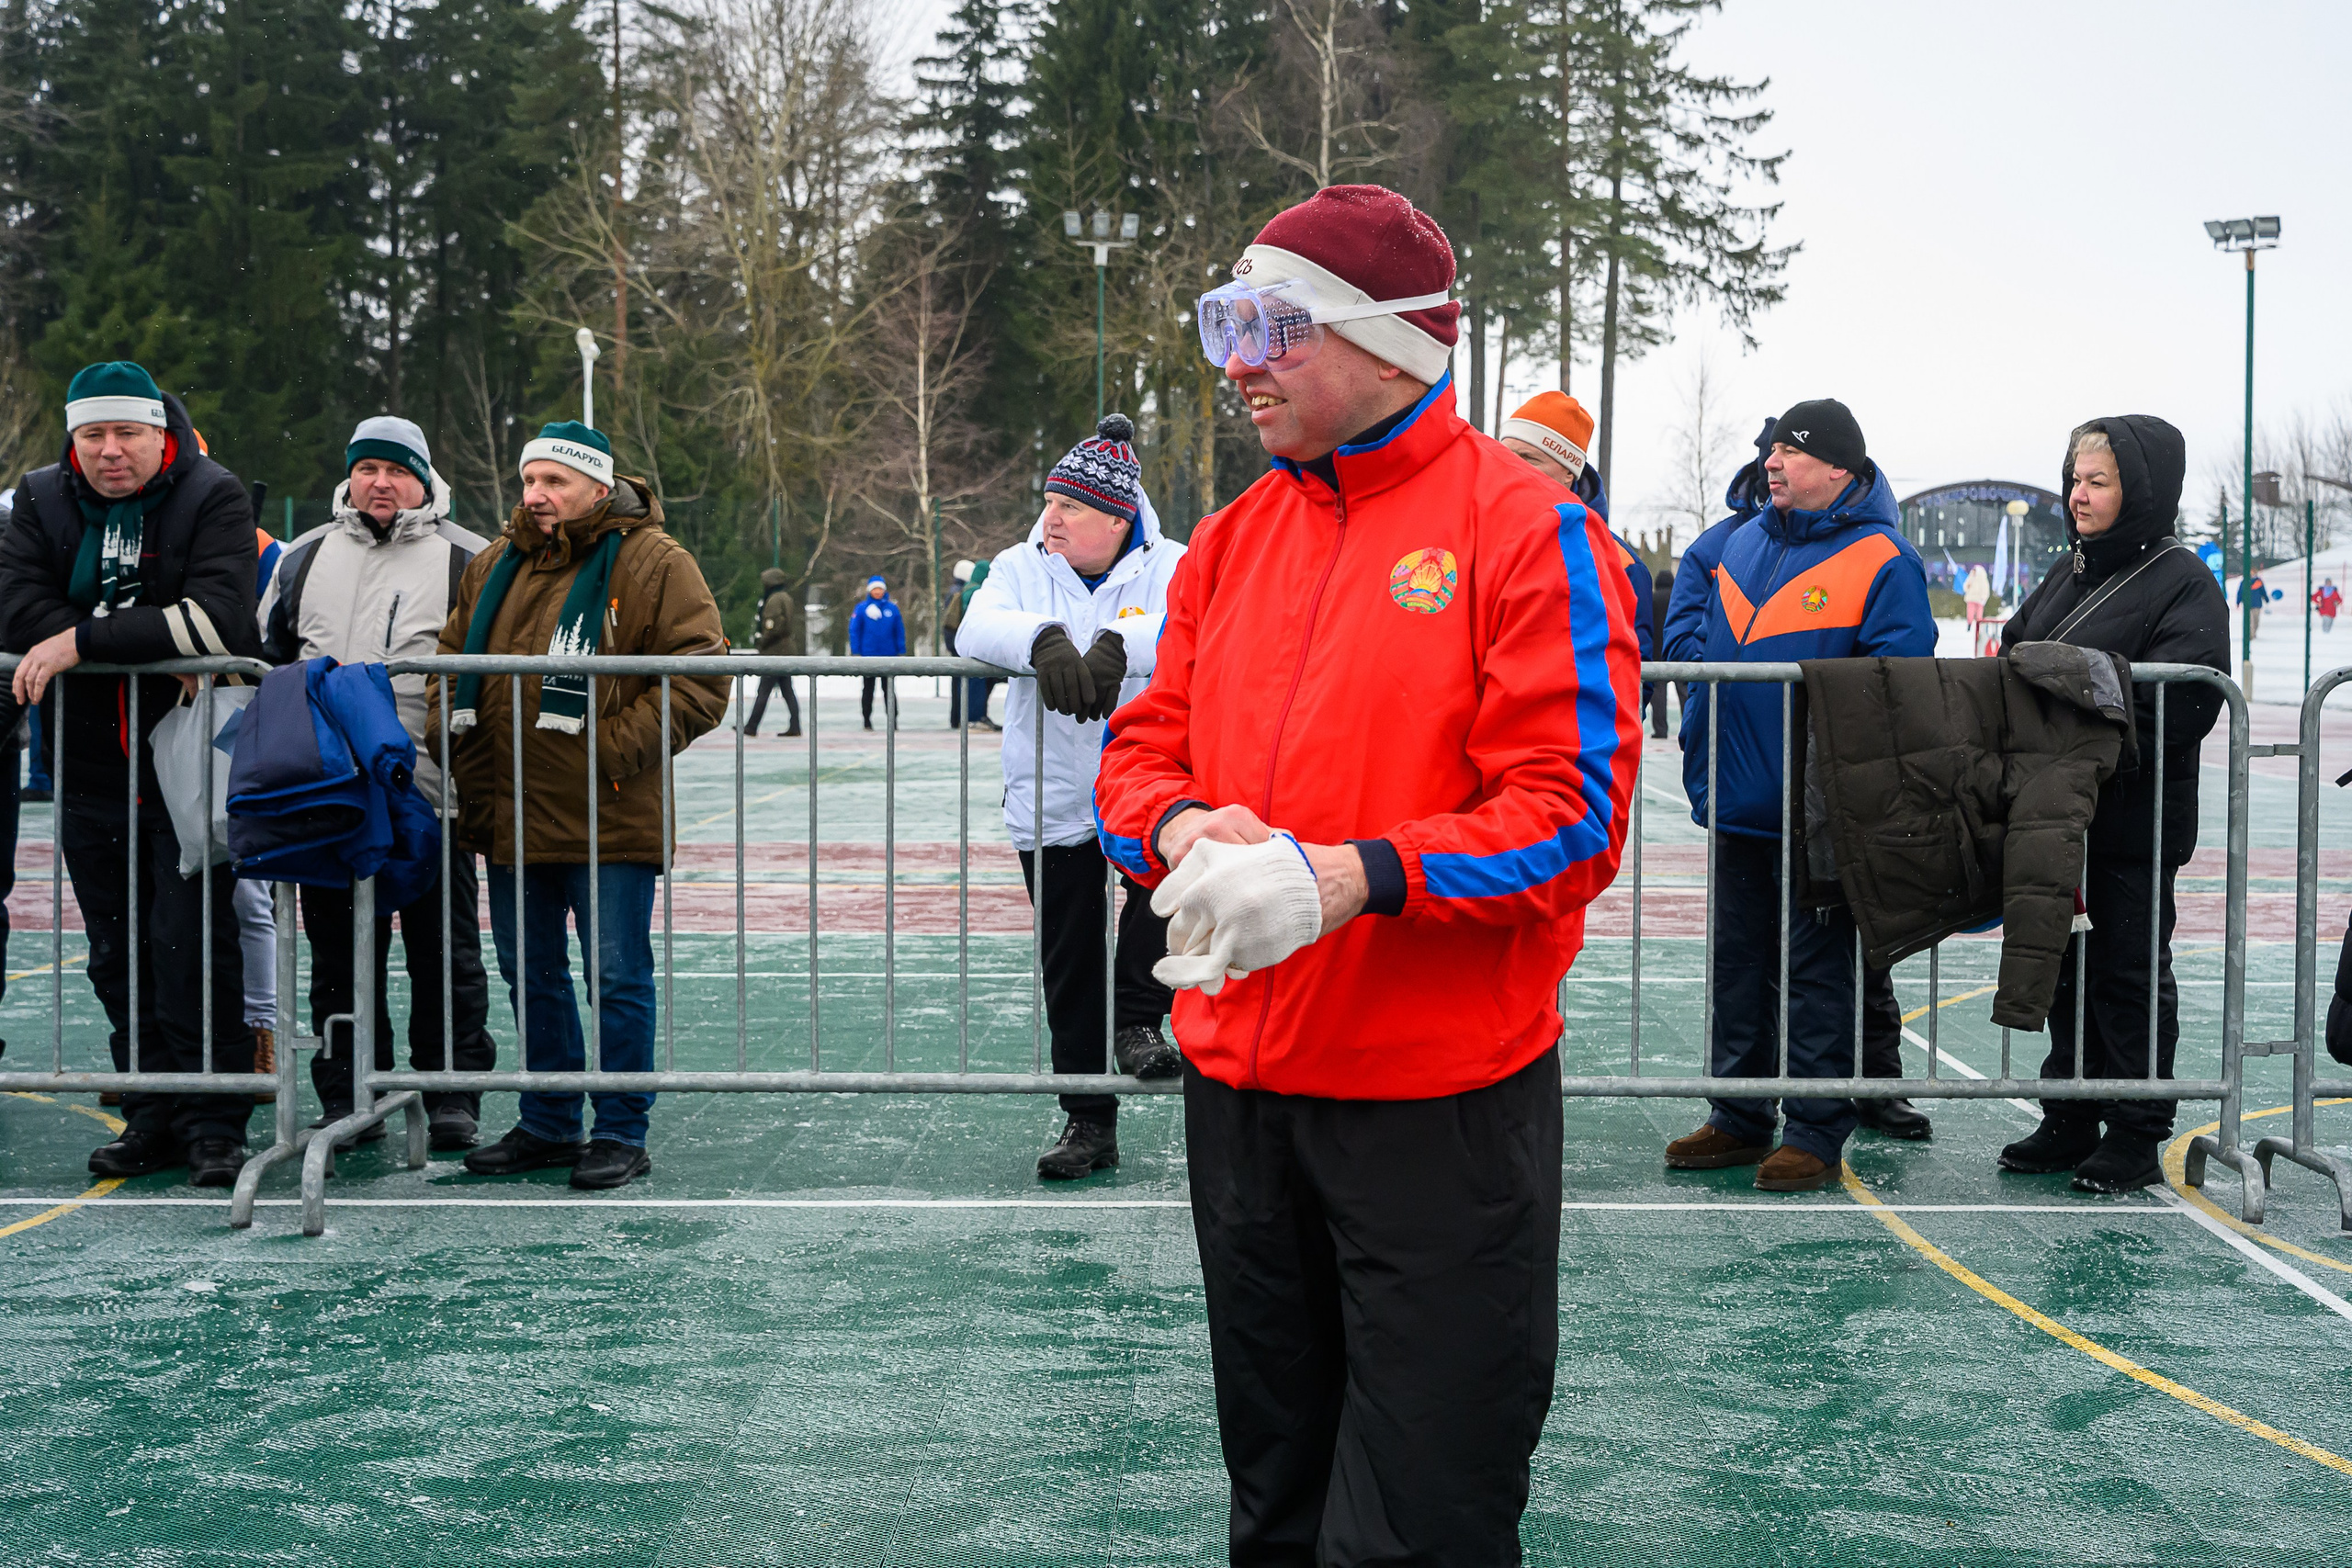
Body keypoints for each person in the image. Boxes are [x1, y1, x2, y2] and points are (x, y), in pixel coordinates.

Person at [1095, 185, 1641, 1564]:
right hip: (1244, 1098)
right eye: (1227, 324)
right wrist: (1175, 831)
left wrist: (1354, 876)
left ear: (1391, 343)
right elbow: (1140, 750)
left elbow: (1573, 816)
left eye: (1272, 326)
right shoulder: (1228, 539)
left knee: (1423, 1511)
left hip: (1436, 1110)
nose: (1238, 362)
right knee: (1274, 1497)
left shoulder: (1529, 529)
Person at [431, 422, 729, 1190]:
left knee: (616, 975)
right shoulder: (496, 563)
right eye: (529, 481)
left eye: (554, 482)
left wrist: (607, 751)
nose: (536, 495)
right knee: (529, 974)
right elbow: (448, 660)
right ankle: (550, 1121)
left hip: (608, 813)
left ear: (599, 488)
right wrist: (449, 731)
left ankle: (622, 1129)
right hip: (510, 811)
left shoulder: (656, 561)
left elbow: (700, 676)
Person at [0, 360, 260, 1184]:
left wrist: (83, 641)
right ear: (73, 439)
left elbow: (222, 617)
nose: (111, 452)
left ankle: (215, 1117)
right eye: (93, 436)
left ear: (160, 433)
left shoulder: (212, 493)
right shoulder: (40, 498)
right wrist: (154, 637)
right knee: (114, 947)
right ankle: (150, 1109)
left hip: (187, 764)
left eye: (127, 434)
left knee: (191, 940)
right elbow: (15, 607)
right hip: (87, 765)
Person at [1666, 398, 1935, 1192]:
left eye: (1791, 451)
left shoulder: (1885, 559)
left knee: (1820, 972)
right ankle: (1739, 1114)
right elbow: (1698, 643)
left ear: (1839, 471)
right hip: (1739, 801)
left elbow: (1900, 684)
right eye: (1773, 449)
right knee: (1739, 963)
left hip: (1823, 812)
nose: (1773, 462)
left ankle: (1816, 1126)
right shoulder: (1739, 543)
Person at [1995, 417, 2227, 1191]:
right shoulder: (2070, 572)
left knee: (2127, 973)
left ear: (2141, 490)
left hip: (2133, 824)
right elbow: (2013, 651)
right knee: (2063, 969)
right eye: (2075, 478)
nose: (2078, 494)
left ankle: (2135, 1125)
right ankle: (2069, 1110)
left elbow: (2185, 703)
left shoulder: (2183, 580)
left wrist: (2069, 724)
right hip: (2058, 821)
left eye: (2098, 481)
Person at [258, 416, 498, 1151]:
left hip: (432, 795)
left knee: (444, 950)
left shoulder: (470, 558)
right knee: (337, 955)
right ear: (350, 476)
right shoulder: (302, 558)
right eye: (368, 469)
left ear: (426, 479)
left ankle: (451, 1091)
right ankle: (349, 1089)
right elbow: (265, 661)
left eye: (397, 470)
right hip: (328, 800)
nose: (381, 483)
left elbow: (495, 674)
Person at [956, 414, 1185, 1179]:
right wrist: (1045, 639)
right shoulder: (1020, 565)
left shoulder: (1173, 564)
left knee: (1162, 904)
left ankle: (1139, 1020)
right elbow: (976, 627)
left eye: (1070, 507)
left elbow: (1199, 624)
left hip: (1152, 780)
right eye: (1049, 500)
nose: (1050, 517)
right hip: (1053, 793)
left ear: (1118, 518)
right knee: (1069, 960)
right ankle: (1089, 1116)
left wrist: (1124, 645)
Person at [742, 566, 801, 737]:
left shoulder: (775, 599)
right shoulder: (786, 597)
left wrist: (762, 642)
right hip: (785, 649)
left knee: (764, 689)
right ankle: (795, 725)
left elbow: (774, 626)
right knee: (787, 690)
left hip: (775, 651)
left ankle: (752, 726)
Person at [848, 573, 904, 729]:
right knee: (868, 690)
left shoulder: (892, 609)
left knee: (889, 690)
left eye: (880, 589)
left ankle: (893, 721)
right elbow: (854, 630)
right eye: (875, 589)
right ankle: (866, 719)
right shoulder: (861, 609)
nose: (878, 592)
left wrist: (900, 650)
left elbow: (899, 630)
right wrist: (856, 651)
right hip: (868, 656)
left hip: (889, 656)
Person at [1963, 561, 1992, 637]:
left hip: (1979, 599)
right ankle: (1969, 625)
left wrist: (1984, 597)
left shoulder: (1982, 579)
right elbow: (1965, 586)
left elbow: (1985, 590)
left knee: (1979, 615)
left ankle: (1978, 627)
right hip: (1971, 598)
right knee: (1970, 613)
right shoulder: (1971, 577)